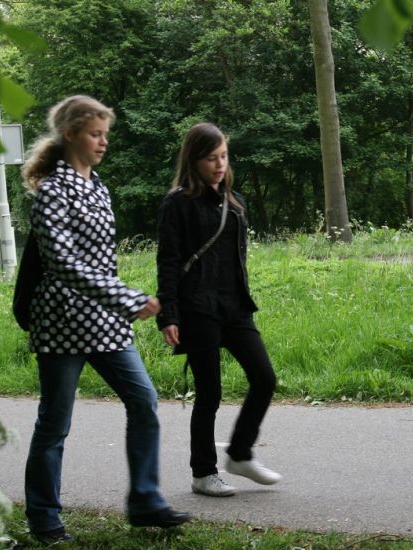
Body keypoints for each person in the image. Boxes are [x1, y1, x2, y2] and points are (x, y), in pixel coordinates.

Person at [21, 95, 189, 543]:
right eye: (95, 134)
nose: (103, 142)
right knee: (54, 424)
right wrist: (128, 299)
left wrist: (119, 301)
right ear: (70, 134)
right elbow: (62, 263)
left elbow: (99, 261)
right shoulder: (52, 192)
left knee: (144, 401)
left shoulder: (98, 187)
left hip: (105, 321)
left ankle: (146, 501)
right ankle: (44, 519)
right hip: (62, 322)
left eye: (105, 135)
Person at [156, 122, 281, 497]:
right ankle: (203, 473)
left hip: (235, 307)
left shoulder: (234, 202)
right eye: (211, 158)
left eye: (224, 156)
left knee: (264, 378)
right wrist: (169, 313)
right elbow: (168, 261)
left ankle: (240, 453)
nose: (219, 164)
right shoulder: (177, 204)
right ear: (193, 160)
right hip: (197, 309)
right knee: (209, 394)